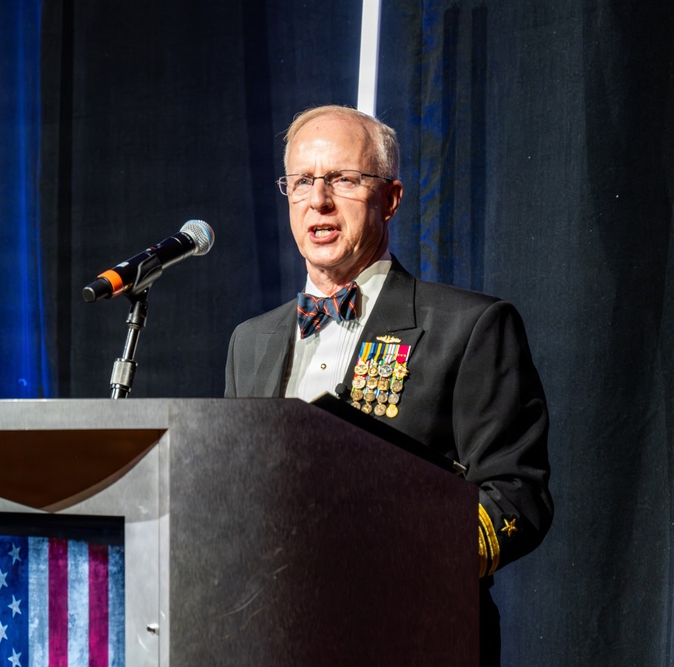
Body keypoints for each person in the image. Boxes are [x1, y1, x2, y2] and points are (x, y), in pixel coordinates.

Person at [224, 105, 552, 664]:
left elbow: (516, 498)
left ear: (392, 199)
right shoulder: (249, 341)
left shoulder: (471, 326)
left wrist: (389, 560)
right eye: (303, 181)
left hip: (412, 637)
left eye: (344, 180)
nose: (319, 201)